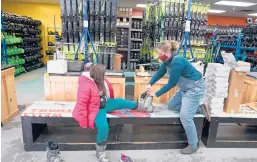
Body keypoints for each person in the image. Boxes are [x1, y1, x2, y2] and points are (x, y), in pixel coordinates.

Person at [146, 40, 211, 154]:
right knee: (171, 106)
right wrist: (149, 83)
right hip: (184, 88)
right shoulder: (167, 61)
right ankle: (198, 108)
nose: (159, 56)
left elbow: (171, 84)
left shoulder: (177, 62)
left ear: (168, 52)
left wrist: (155, 94)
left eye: (160, 53)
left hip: (194, 89)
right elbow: (159, 73)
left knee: (185, 117)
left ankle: (193, 144)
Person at [72, 64, 143, 162]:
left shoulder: (102, 80)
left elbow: (110, 94)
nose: (104, 75)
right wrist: (83, 122)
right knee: (104, 126)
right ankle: (100, 151)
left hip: (105, 103)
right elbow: (81, 104)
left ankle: (139, 105)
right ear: (97, 75)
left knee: (120, 101)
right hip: (95, 109)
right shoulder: (86, 84)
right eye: (103, 74)